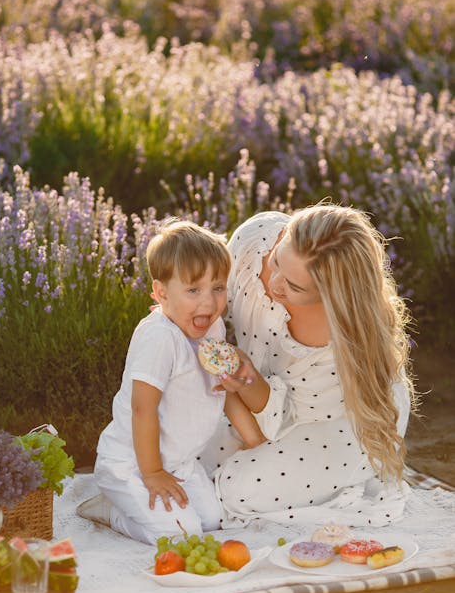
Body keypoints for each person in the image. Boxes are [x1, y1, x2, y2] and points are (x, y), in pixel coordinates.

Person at [197, 203, 417, 528]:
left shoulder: (336, 344)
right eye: (276, 264)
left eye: (295, 287)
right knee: (183, 455)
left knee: (237, 490)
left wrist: (246, 383)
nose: (274, 285)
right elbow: (212, 300)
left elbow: (288, 418)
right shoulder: (256, 238)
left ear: (331, 293)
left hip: (336, 422)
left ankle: (348, 479)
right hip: (255, 402)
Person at [77, 219, 264, 544]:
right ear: (162, 293)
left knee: (211, 520)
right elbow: (142, 410)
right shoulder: (160, 339)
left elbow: (225, 389)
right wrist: (152, 474)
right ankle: (112, 508)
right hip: (134, 462)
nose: (209, 302)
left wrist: (254, 439)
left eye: (218, 287)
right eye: (194, 290)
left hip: (179, 461)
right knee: (181, 533)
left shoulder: (213, 328)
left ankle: (138, 502)